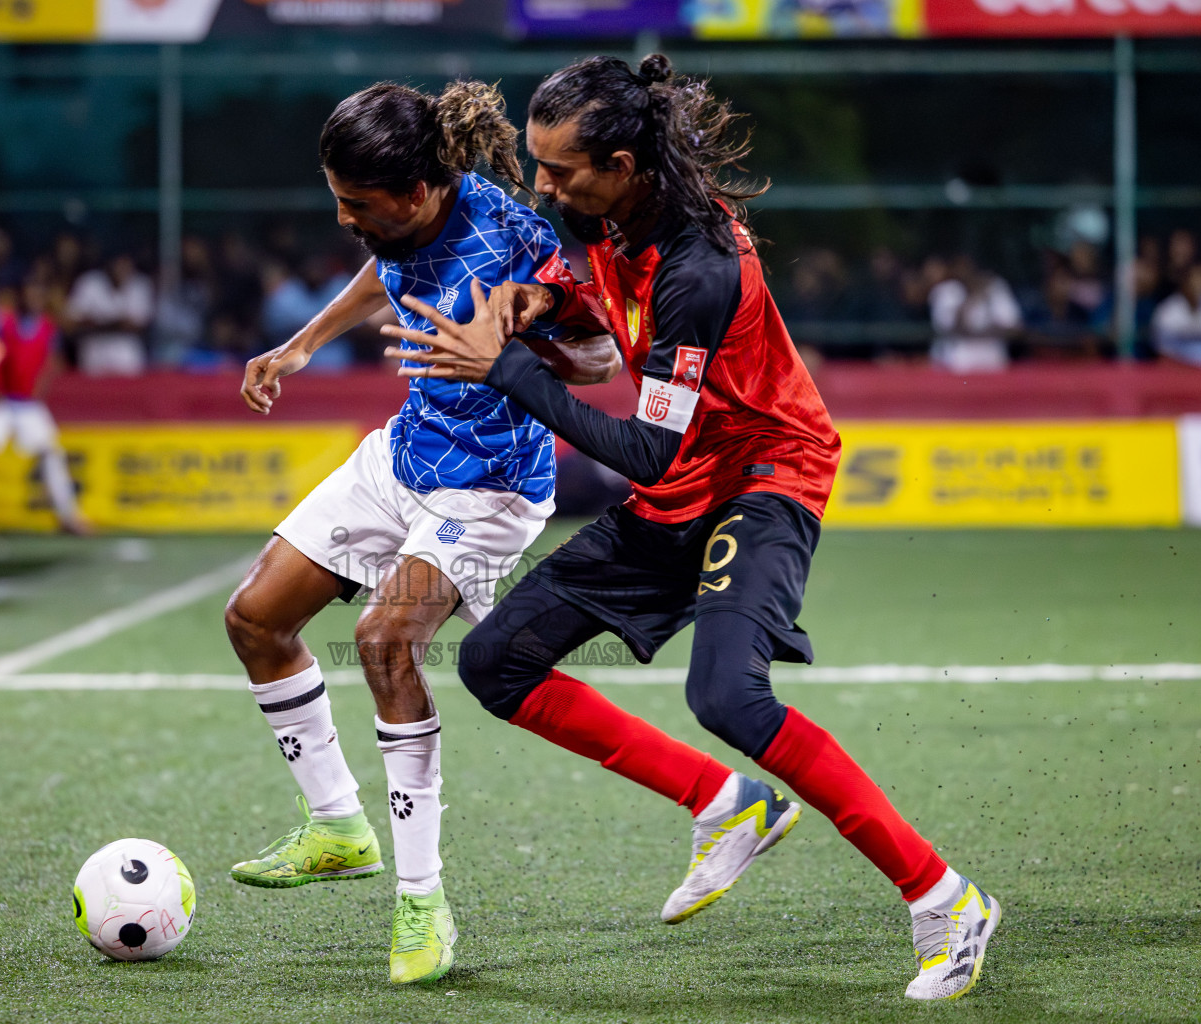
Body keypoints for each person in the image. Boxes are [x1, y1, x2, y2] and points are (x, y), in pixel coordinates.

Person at [389, 54, 1001, 1002]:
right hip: (688, 479)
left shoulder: (704, 269)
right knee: (494, 663)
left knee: (728, 695)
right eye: (541, 167)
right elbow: (607, 307)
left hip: (763, 473)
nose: (542, 186)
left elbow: (645, 453)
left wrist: (508, 367)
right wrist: (545, 300)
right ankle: (725, 805)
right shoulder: (609, 217)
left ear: (624, 164)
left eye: (560, 171)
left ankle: (945, 900)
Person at [223, 79, 628, 986]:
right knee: (255, 619)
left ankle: (423, 902)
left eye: (356, 204)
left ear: (414, 193)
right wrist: (303, 344)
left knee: (383, 641)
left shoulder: (515, 237)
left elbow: (602, 355)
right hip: (405, 457)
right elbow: (387, 266)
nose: (342, 218)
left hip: (488, 490)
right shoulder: (398, 223)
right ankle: (337, 828)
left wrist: (516, 351)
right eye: (337, 198)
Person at [0, 272, 89, 534]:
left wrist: (42, 386)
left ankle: (69, 517)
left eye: (38, 294)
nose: (33, 299)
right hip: (1, 401)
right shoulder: (3, 322)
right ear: (20, 296)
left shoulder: (48, 327)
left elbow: (53, 360)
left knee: (51, 453)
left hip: (28, 405)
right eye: (29, 294)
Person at [928, 254, 1021, 373]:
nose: (964, 271)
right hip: (956, 363)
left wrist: (979, 332)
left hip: (993, 361)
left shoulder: (995, 286)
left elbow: (1014, 328)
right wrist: (974, 297)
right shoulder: (945, 291)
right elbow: (953, 328)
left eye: (967, 266)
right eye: (960, 266)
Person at [65, 252, 153, 376]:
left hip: (126, 351)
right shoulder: (90, 282)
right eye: (119, 265)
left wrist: (99, 321)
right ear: (109, 265)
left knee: (128, 391)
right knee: (92, 393)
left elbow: (137, 325)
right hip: (94, 349)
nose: (122, 270)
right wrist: (116, 322)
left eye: (126, 265)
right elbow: (72, 321)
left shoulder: (139, 284)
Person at [1151, 263, 1201, 367]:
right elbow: (1161, 350)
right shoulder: (1168, 310)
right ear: (1185, 283)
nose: (1199, 285)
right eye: (1195, 280)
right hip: (1175, 368)